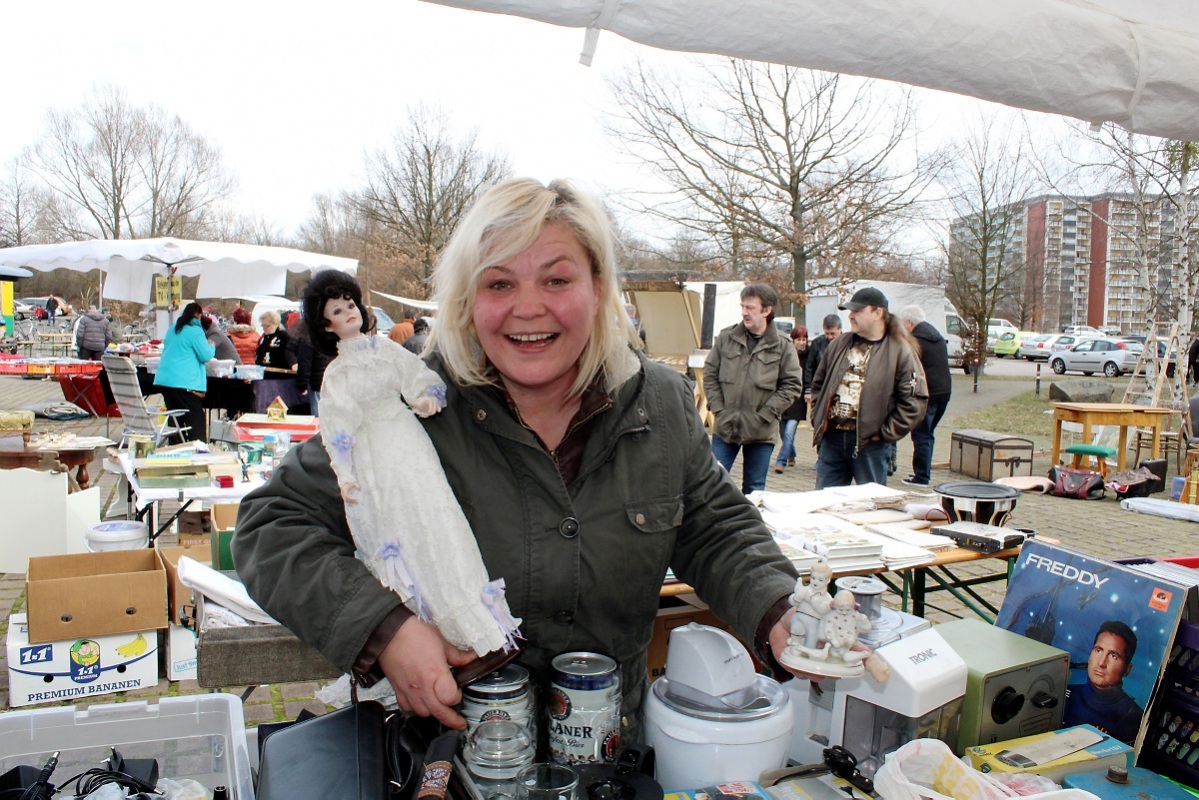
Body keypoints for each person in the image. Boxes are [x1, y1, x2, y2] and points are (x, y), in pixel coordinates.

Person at [232, 178, 804, 735]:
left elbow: (714, 527)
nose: (528, 309)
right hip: (452, 758)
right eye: (499, 284)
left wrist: (778, 609)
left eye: (556, 280)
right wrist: (386, 631)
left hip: (609, 754)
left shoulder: (657, 402)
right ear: (467, 299)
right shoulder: (402, 405)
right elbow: (271, 527)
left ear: (598, 288)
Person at [306, 269, 521, 658]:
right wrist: (346, 472)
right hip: (374, 457)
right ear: (327, 325)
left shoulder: (387, 349)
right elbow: (337, 427)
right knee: (399, 527)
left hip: (409, 443)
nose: (349, 312)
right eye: (338, 310)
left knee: (436, 518)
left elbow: (419, 378)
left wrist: (425, 399)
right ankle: (421, 628)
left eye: (350, 304)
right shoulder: (337, 375)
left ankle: (468, 617)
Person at [809, 287, 928, 488]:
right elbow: (819, 384)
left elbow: (915, 400)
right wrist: (817, 417)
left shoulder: (900, 351)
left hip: (870, 446)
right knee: (824, 506)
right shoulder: (839, 344)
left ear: (877, 313)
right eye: (850, 311)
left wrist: (885, 433)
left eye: (857, 311)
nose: (851, 316)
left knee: (871, 507)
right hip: (832, 441)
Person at [702, 284, 803, 494]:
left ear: (767, 310)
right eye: (742, 306)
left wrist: (765, 415)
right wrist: (719, 409)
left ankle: (750, 526)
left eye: (750, 308)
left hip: (761, 432)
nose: (744, 312)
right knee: (710, 486)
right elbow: (710, 374)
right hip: (726, 428)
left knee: (755, 491)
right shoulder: (726, 338)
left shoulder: (783, 345)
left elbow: (792, 385)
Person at [1063, 620, 1144, 744]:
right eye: (1098, 650)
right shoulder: (1065, 694)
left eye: (1113, 656)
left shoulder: (1135, 718)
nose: (1101, 663)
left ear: (1127, 669)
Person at [899, 305, 952, 487]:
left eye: (903, 324)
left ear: (910, 322)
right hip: (944, 392)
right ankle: (923, 472)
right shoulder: (935, 335)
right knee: (928, 434)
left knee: (921, 435)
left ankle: (921, 476)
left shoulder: (916, 340)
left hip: (928, 393)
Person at [153, 302, 215, 442]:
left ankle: (176, 447)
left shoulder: (173, 328)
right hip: (185, 382)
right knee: (195, 419)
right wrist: (212, 346)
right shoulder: (195, 330)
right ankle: (198, 449)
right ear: (198, 315)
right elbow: (205, 355)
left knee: (175, 417)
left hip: (165, 380)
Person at [774, 325, 810, 473]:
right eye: (799, 339)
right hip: (784, 401)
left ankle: (780, 461)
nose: (802, 342)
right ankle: (792, 454)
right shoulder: (786, 355)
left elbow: (809, 375)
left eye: (804, 339)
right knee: (783, 433)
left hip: (798, 402)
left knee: (789, 432)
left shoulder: (808, 357)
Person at [294, 325, 331, 417]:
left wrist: (302, 385)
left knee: (319, 417)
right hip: (335, 381)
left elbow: (305, 363)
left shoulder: (308, 339)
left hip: (317, 383)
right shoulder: (333, 336)